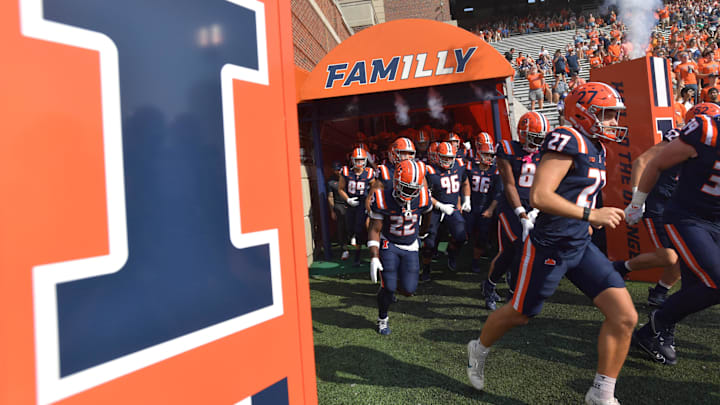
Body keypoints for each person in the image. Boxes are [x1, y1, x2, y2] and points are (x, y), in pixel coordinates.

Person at [467, 82, 637, 405]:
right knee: (520, 313)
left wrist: (584, 221)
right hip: (549, 245)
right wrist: (590, 215)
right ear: (583, 113)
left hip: (578, 244)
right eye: (608, 115)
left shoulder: (596, 146)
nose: (614, 122)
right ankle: (479, 348)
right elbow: (541, 196)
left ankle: (602, 393)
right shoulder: (568, 138)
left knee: (625, 316)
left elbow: (577, 191)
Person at [625, 104, 720, 366]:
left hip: (716, 219)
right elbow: (654, 163)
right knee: (715, 282)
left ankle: (657, 333)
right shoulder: (707, 131)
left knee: (695, 286)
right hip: (688, 216)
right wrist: (637, 203)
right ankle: (657, 323)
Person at [481, 111, 548, 311]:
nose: (537, 143)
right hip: (511, 206)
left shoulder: (545, 152)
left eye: (541, 139)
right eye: (534, 138)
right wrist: (522, 214)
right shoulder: (508, 149)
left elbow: (547, 183)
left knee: (509, 253)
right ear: (523, 133)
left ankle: (490, 285)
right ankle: (514, 295)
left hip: (534, 205)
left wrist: (536, 209)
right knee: (522, 246)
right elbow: (509, 185)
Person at [368, 159, 433, 335]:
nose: (411, 193)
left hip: (410, 244)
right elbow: (374, 229)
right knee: (388, 287)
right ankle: (383, 318)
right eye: (406, 187)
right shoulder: (383, 198)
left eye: (414, 189)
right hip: (390, 243)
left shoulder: (423, 196)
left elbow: (428, 214)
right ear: (396, 183)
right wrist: (374, 256)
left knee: (409, 290)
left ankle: (391, 282)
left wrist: (422, 234)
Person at [421, 142, 470, 279]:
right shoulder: (430, 171)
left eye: (450, 157)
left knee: (461, 236)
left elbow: (465, 183)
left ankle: (451, 253)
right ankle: (426, 268)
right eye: (445, 157)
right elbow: (424, 194)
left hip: (452, 207)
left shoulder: (459, 165)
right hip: (435, 209)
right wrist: (440, 206)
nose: (448, 160)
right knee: (430, 242)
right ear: (437, 156)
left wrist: (467, 200)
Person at [464, 132, 502, 272]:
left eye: (491, 155)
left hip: (485, 206)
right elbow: (463, 184)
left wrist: (490, 210)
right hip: (471, 206)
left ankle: (475, 261)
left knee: (482, 236)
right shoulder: (469, 166)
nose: (489, 158)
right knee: (463, 233)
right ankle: (453, 253)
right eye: (486, 154)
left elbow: (498, 193)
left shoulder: (495, 171)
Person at [338, 147, 376, 265]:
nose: (359, 163)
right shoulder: (346, 172)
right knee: (350, 228)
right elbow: (340, 189)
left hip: (363, 203)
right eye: (357, 160)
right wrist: (348, 199)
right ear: (352, 160)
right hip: (351, 203)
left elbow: (374, 188)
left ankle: (358, 256)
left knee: (360, 228)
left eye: (361, 160)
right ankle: (354, 246)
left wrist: (369, 200)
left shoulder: (369, 173)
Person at [327, 161, 349, 259]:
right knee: (341, 226)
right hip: (339, 205)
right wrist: (332, 211)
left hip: (350, 204)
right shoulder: (331, 181)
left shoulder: (348, 178)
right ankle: (344, 248)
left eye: (339, 169)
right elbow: (330, 197)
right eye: (336, 170)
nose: (338, 172)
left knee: (353, 225)